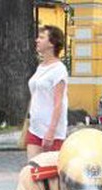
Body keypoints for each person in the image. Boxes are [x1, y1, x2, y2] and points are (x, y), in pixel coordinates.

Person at [26, 25, 69, 160]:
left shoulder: (59, 70)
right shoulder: (40, 67)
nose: (37, 40)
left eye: (41, 37)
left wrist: (51, 131)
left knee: (49, 175)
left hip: (51, 132)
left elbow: (58, 103)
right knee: (32, 171)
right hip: (35, 128)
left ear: (52, 43)